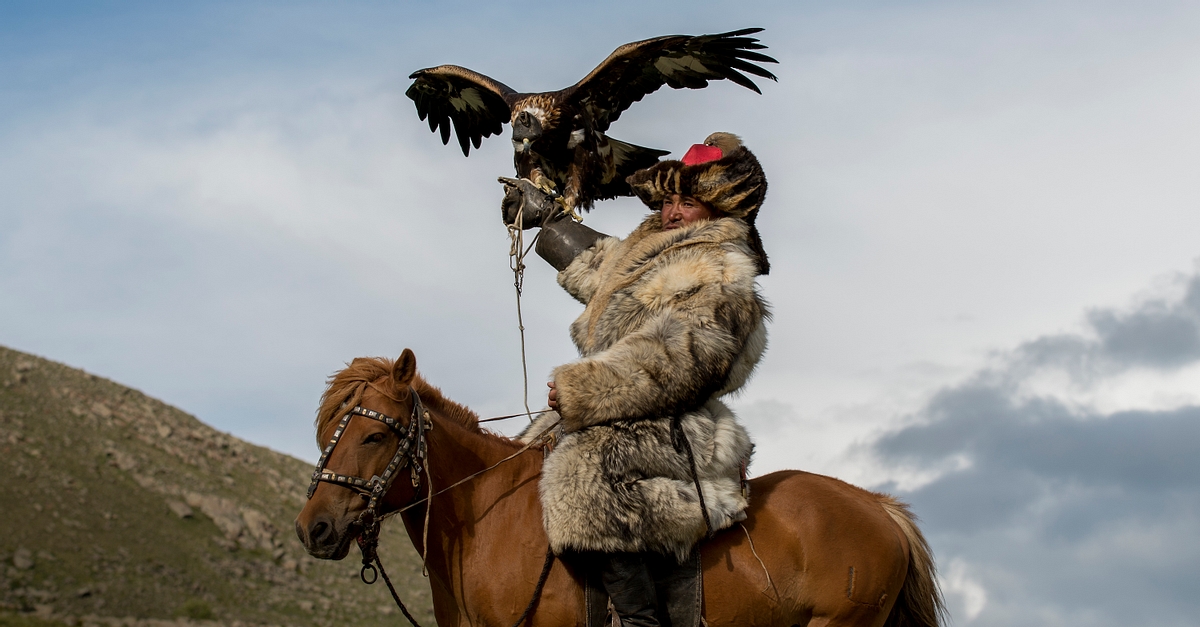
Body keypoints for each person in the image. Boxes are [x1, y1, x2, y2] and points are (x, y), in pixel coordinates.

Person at [503, 133, 770, 627]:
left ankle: (639, 621)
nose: (672, 212)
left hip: (680, 424)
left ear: (717, 208)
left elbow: (675, 362)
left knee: (584, 470)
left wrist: (583, 389)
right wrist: (546, 217)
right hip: (624, 409)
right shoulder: (650, 253)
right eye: (668, 199)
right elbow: (602, 271)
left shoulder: (720, 273)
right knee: (520, 457)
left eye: (687, 202)